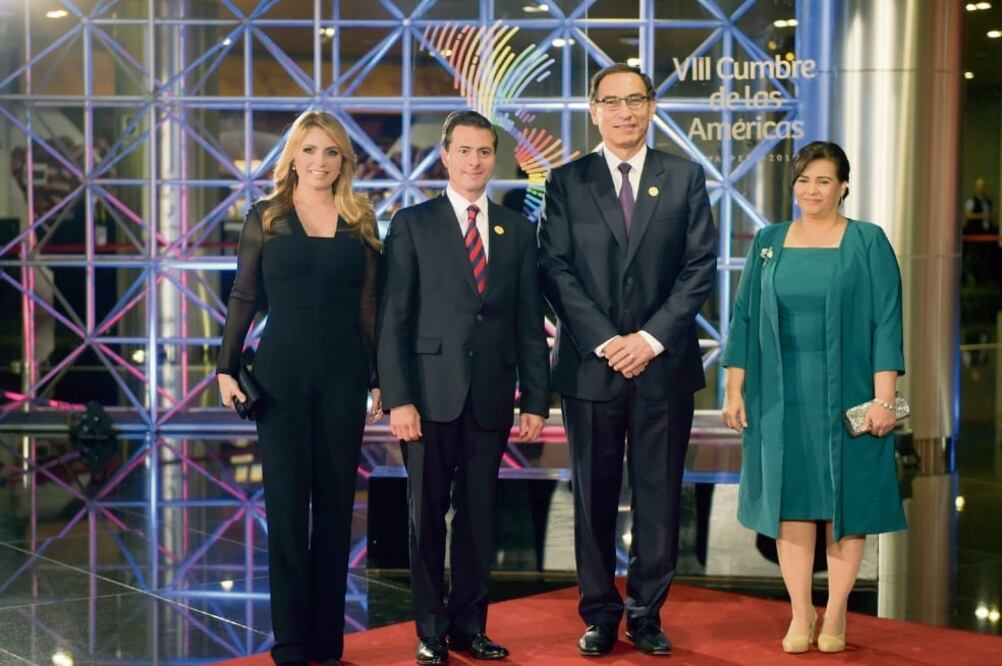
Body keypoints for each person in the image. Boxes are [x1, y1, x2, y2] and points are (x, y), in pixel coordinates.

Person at [538, 63, 716, 657]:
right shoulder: (566, 182)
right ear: (594, 111)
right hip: (592, 366)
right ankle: (599, 614)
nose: (624, 112)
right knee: (592, 497)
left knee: (659, 496)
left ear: (652, 107)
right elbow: (554, 268)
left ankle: (646, 614)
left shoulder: (684, 177)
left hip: (664, 365)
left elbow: (699, 268)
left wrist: (649, 339)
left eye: (635, 100)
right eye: (611, 102)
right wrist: (608, 341)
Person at [377, 110, 550, 665]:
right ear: (446, 156)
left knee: (479, 518)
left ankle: (470, 627)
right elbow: (394, 318)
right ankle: (430, 629)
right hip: (428, 397)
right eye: (465, 151)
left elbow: (528, 322)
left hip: (491, 397)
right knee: (426, 518)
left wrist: (536, 399)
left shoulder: (517, 229)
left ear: (494, 159)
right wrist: (398, 397)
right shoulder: (412, 223)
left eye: (484, 152)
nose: (475, 161)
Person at [721, 141, 906, 654]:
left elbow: (887, 321)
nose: (812, 190)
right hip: (779, 394)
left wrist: (884, 399)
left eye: (824, 181)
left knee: (845, 502)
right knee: (791, 504)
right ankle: (801, 612)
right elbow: (744, 319)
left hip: (851, 391)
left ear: (844, 187)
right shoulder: (769, 241)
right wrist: (734, 388)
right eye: (804, 180)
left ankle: (837, 612)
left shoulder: (867, 241)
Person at [216, 110, 382, 666]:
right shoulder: (266, 217)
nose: (319, 161)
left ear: (343, 160)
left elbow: (369, 306)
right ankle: (289, 641)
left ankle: (327, 641)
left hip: (344, 378)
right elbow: (244, 295)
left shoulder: (360, 219)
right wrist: (225, 366)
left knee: (335, 512)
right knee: (286, 511)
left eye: (331, 151)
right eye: (309, 150)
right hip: (280, 378)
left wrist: (379, 378)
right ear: (292, 157)